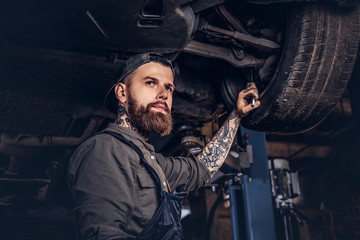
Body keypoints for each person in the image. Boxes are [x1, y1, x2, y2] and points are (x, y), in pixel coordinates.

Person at [68, 52, 260, 239]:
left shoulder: (153, 162)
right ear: (122, 93)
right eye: (150, 82)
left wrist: (236, 115)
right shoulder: (106, 149)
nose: (163, 94)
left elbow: (201, 168)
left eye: (169, 88)